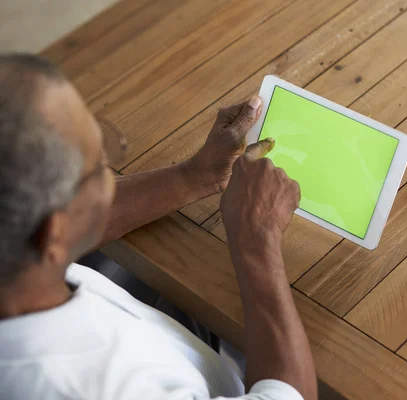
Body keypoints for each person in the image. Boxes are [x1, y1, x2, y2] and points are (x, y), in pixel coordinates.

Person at [0, 53, 317, 400]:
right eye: (95, 167)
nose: (110, 169)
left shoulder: (21, 264)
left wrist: (195, 176)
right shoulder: (87, 389)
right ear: (53, 233)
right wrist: (259, 237)